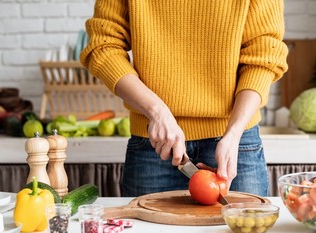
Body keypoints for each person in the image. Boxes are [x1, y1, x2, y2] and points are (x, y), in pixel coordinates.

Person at [80, 0, 288, 197]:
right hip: (155, 143)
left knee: (245, 230)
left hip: (235, 143)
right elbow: (104, 47)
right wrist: (157, 112)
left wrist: (234, 133)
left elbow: (264, 57)